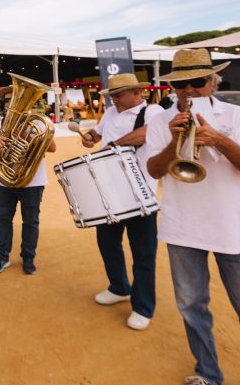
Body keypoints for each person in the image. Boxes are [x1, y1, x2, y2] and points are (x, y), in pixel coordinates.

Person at [146, 48, 240, 385]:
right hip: (182, 229)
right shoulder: (159, 121)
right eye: (181, 84)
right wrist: (174, 140)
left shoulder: (238, 116)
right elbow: (154, 170)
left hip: (234, 230)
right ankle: (208, 374)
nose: (189, 91)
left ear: (212, 83)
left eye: (197, 82)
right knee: (192, 309)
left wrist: (220, 140)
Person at [78, 73, 165, 331]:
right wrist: (90, 137)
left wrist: (115, 144)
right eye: (112, 95)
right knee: (107, 243)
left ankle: (143, 306)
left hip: (140, 192)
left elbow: (145, 134)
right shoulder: (110, 113)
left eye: (118, 95)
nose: (113, 99)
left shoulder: (153, 111)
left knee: (143, 253)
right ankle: (119, 287)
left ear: (136, 92)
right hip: (110, 190)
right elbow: (97, 134)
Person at [0, 85, 56, 275]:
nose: (11, 103)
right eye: (8, 100)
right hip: (4, 181)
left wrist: (28, 137)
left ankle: (28, 258)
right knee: (4, 219)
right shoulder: (3, 123)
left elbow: (53, 147)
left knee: (31, 221)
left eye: (14, 99)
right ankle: (2, 257)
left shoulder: (40, 122)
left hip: (32, 182)